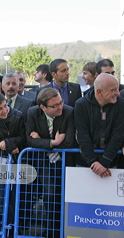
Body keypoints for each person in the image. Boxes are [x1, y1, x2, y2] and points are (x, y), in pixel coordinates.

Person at [26, 87, 75, 238]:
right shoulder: (33, 113)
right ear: (43, 107)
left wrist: (41, 140)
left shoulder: (69, 112)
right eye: (55, 105)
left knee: (64, 196)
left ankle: (65, 230)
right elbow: (29, 141)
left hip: (64, 162)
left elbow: (69, 142)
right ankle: (52, 231)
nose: (60, 107)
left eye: (61, 102)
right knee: (50, 196)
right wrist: (53, 142)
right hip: (44, 163)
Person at [0, 91, 26, 229]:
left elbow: (23, 137)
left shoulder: (17, 116)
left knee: (14, 197)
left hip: (14, 162)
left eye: (5, 105)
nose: (4, 110)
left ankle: (14, 227)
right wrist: (4, 145)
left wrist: (8, 143)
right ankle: (7, 225)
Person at [75, 73, 124, 176]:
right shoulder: (81, 104)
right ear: (99, 92)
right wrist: (93, 162)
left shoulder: (121, 104)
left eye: (117, 89)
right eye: (113, 90)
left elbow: (118, 134)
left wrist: (105, 162)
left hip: (111, 163)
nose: (118, 93)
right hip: (84, 164)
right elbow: (82, 135)